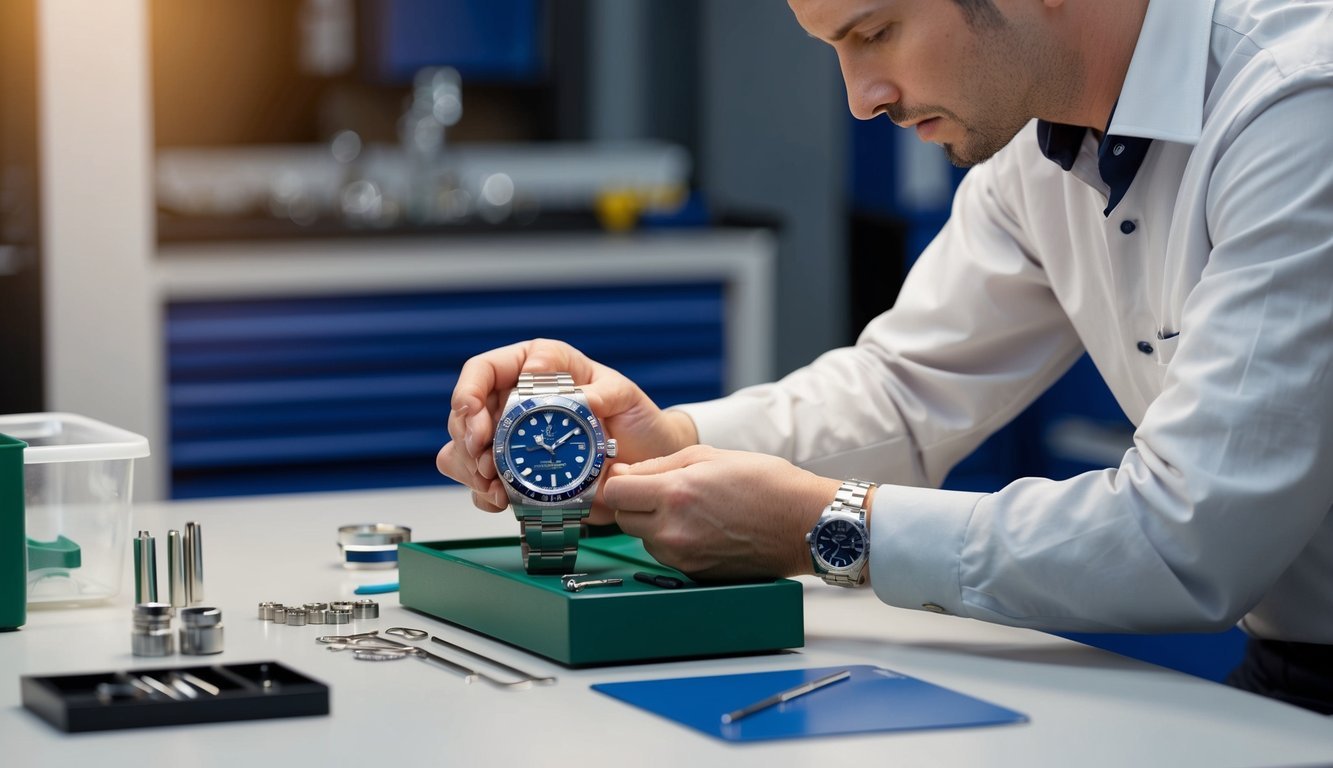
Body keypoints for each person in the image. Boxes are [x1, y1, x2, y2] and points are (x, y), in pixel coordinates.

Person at [438, 0, 1333, 713]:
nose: (862, 96)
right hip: (1291, 667)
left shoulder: (1298, 107)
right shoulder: (1038, 147)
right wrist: (654, 442)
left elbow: (1188, 537)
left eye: (874, 32)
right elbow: (904, 392)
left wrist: (833, 529)